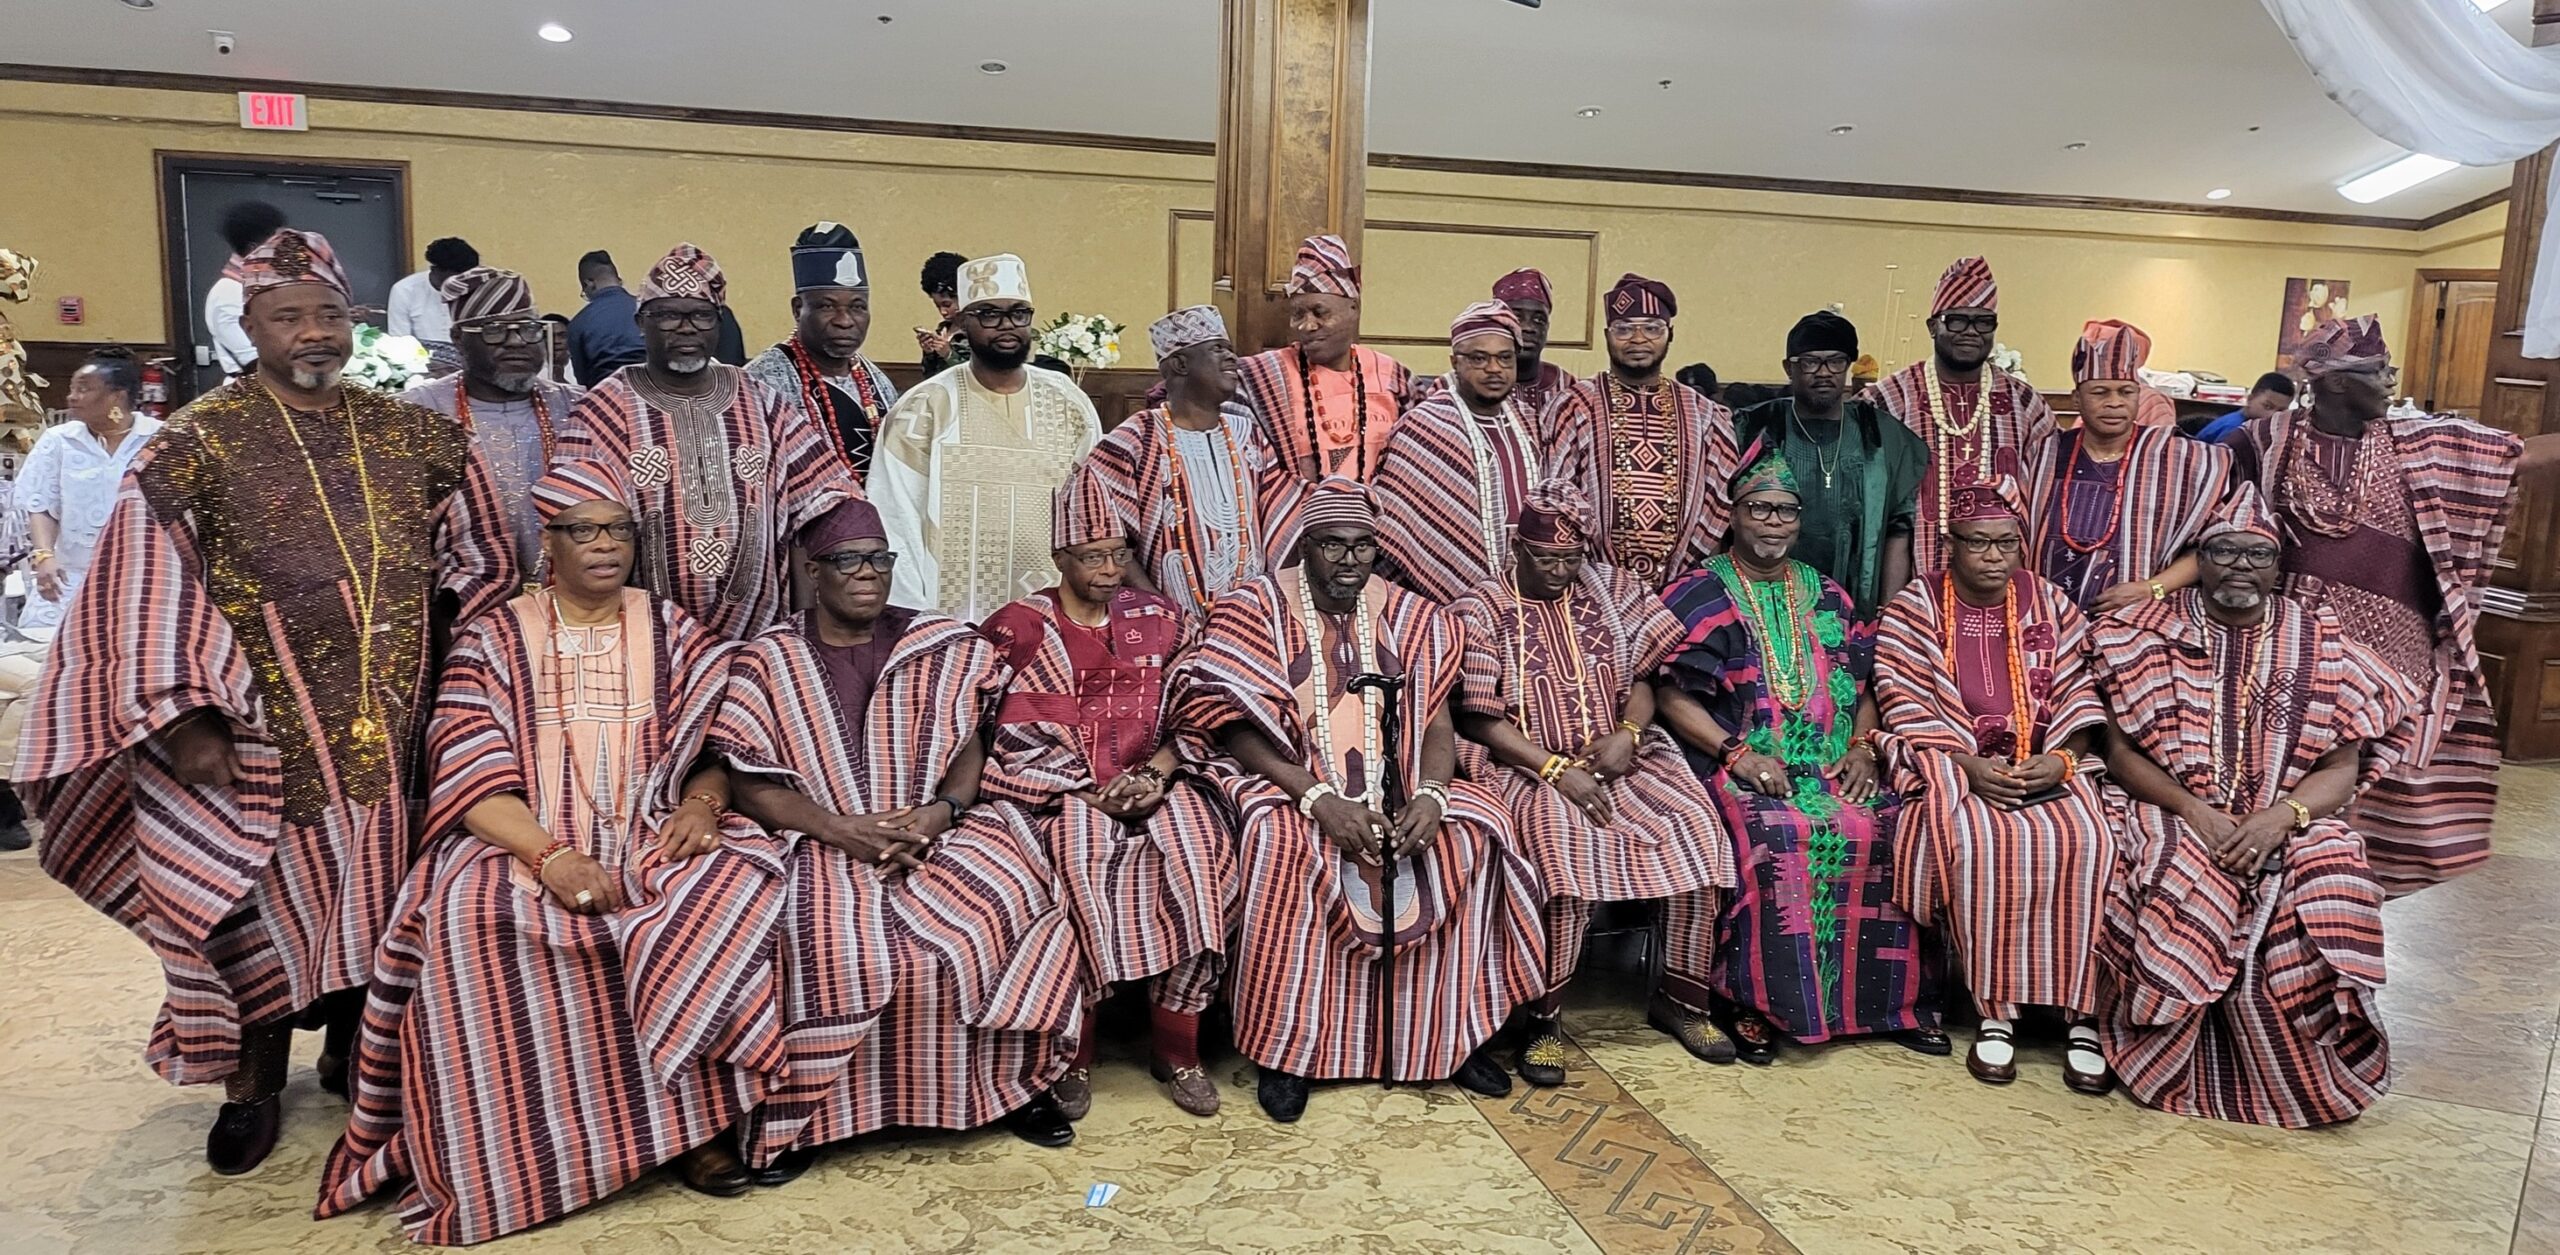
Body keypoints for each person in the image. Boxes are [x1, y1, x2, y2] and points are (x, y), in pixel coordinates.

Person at [14, 227, 518, 1174]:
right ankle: (251, 1084)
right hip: (259, 722)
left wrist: (469, 668)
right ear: (250, 328)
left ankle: (354, 1052)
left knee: (386, 889)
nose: (314, 332)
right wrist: (186, 713)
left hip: (402, 713)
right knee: (251, 899)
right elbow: (143, 580)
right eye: (289, 317)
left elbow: (484, 555)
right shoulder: (196, 441)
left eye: (328, 314)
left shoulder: (417, 434)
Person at [316, 463, 784, 1242]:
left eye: (618, 529)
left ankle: (695, 1126)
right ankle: (514, 1147)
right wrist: (551, 856)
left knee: (730, 889)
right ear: (549, 542)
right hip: (526, 836)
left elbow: (723, 747)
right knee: (469, 917)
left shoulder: (675, 629)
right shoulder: (495, 637)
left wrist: (703, 804)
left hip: (653, 828)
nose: (605, 545)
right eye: (584, 530)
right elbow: (468, 775)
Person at [712, 498, 1088, 1168]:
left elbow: (972, 742)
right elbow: (748, 782)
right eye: (848, 560)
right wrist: (838, 829)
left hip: (932, 829)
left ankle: (1012, 1089)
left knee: (1009, 897)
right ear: (811, 570)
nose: (868, 573)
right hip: (821, 837)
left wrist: (942, 810)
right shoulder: (767, 658)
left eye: (879, 558)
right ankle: (803, 1118)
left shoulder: (939, 641)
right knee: (825, 939)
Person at [1170, 478, 1544, 1120]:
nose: (1350, 560)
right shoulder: (1252, 608)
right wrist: (1318, 799)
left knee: (1477, 831)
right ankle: (1290, 1054)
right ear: (1304, 546)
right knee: (1280, 843)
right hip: (1290, 782)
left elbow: (1437, 720)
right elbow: (1230, 725)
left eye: (1363, 546)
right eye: (1333, 545)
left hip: (1400, 784)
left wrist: (1432, 794)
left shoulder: (1415, 618)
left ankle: (1449, 1040)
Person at [2090, 497, 2419, 1127]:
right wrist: (2193, 810)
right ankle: (2162, 1056)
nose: (2240, 565)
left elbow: (2341, 769)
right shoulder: (2142, 634)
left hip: (2288, 815)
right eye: (2223, 551)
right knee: (2171, 874)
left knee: (2337, 878)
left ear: (2278, 566)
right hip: (2174, 808)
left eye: (2258, 554)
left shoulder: (2322, 643)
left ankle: (2310, 1074)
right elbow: (2121, 754)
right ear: (2199, 560)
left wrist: (2281, 817)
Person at [1654, 451, 1945, 1064]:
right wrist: (1735, 754)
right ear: (1733, 515)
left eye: (1786, 511)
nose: (1774, 522)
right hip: (1737, 764)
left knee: (1892, 826)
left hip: (1833, 767)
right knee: (1777, 835)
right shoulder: (1698, 592)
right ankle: (1749, 1004)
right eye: (1759, 508)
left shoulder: (1828, 594)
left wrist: (1864, 747)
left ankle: (1887, 1006)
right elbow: (1671, 693)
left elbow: (1868, 683)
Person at [1448, 481, 1738, 1085]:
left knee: (1696, 827)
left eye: (1571, 558)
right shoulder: (1479, 609)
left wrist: (1629, 733)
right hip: (1526, 766)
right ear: (1516, 548)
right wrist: (1555, 770)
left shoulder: (1614, 590)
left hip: (1621, 755)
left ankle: (1681, 1001)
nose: (1560, 571)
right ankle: (1543, 1019)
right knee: (1563, 845)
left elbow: (1645, 677)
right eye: (1545, 559)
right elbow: (1477, 717)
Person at [2227, 314, 2522, 895]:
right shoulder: (2261, 442)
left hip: (2396, 656)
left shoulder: (2421, 445)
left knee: (2369, 804)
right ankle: (2274, 910)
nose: (2391, 380)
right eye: (2379, 371)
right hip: (2293, 651)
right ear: (2337, 381)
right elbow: (2210, 518)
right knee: (2284, 781)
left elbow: (2514, 456)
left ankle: (2348, 901)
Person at [970, 482, 1238, 1117]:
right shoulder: (1019, 626)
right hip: (1061, 790)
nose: (1111, 570)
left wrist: (1159, 775)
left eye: (1119, 554)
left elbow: (1197, 703)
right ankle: (1074, 1053)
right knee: (1077, 860)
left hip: (1159, 778)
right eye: (1093, 557)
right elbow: (992, 731)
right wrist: (1088, 794)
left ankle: (1177, 1047)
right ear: (1060, 557)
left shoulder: (1159, 617)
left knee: (1201, 853)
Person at [1873, 478, 2115, 1093]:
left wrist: (2062, 760)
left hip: (2046, 765)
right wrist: (1966, 764)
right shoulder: (1915, 605)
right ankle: (1996, 1012)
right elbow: (1900, 693)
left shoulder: (2052, 602)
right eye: (1977, 542)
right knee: (1982, 845)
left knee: (2090, 840)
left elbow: (2082, 690)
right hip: (1956, 767)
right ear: (1950, 545)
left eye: (2006, 543)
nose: (1993, 556)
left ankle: (2082, 1017)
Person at [560, 243, 860, 641]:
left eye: (701, 315)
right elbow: (573, 528)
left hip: (760, 637)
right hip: (640, 637)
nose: (687, 328)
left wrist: (806, 629)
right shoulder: (603, 409)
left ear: (719, 323)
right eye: (668, 315)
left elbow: (826, 498)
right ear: (640, 322)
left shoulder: (763, 401)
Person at [872, 253, 1103, 620]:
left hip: (1054, 616)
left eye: (1018, 313)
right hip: (949, 619)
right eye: (989, 314)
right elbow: (894, 518)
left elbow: (1093, 510)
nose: (1007, 325)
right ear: (963, 321)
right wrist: (913, 620)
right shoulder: (925, 407)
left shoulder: (1069, 402)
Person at [1071, 305, 1299, 622]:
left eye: (1229, 349)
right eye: (1217, 349)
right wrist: (1162, 611)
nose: (1232, 358)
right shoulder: (1135, 438)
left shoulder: (1249, 435)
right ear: (1180, 364)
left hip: (1249, 623)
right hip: (1161, 624)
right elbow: (1103, 532)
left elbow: (1281, 520)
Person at [2024, 319, 2235, 612]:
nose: (2114, 403)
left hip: (2136, 623)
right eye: (2100, 392)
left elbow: (2217, 541)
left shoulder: (2180, 458)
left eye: (2126, 392)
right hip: (2038, 615)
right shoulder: (2043, 454)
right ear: (2076, 400)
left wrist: (2152, 588)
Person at [1865, 257, 2059, 574]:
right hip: (1910, 580)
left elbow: (2046, 500)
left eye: (1984, 322)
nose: (1971, 332)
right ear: (1932, 326)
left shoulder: (2027, 405)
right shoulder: (1888, 399)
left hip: (2001, 580)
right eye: (1956, 321)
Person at [1545, 274, 1741, 588]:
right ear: (1607, 335)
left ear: (1670, 334)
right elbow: (1557, 497)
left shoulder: (1704, 413)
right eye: (1624, 329)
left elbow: (1718, 506)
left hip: (1682, 586)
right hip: (1589, 585)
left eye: (1652, 328)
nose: (1638, 339)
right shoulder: (1575, 404)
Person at [1730, 311, 1927, 619]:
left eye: (1835, 361)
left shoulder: (1881, 436)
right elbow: (1722, 521)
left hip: (1857, 613)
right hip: (1760, 606)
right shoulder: (1752, 427)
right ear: (1789, 368)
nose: (1824, 372)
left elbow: (1899, 529)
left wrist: (1890, 615)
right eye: (1810, 362)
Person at [402, 267, 588, 579]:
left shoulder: (577, 406)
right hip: (459, 594)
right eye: (494, 330)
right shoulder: (418, 413)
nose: (516, 341)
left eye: (528, 329)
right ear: (458, 339)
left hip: (570, 593)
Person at [1372, 301, 1550, 603]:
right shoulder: (1424, 425)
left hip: (1528, 591)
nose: (1494, 369)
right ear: (1455, 362)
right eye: (1479, 358)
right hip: (1440, 601)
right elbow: (1401, 525)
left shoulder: (1531, 421)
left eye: (1505, 358)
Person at [1235, 235, 1415, 482]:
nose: (1307, 326)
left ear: (1354, 308)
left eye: (1320, 312)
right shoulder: (1261, 379)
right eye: (1298, 314)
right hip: (1295, 505)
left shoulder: (1394, 376)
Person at [745, 222, 900, 486]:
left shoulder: (877, 382)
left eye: (857, 307)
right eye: (827, 306)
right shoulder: (761, 383)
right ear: (798, 309)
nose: (844, 321)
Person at [20, 345, 162, 631]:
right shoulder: (59, 440)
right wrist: (44, 555)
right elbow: (40, 504)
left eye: (83, 389)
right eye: (72, 388)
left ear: (117, 396)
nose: (72, 397)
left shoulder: (159, 438)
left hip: (146, 579)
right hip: (71, 577)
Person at [204, 200, 284, 379]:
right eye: (277, 243)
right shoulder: (229, 291)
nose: (284, 249)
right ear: (254, 249)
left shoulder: (261, 286)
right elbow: (252, 360)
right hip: (253, 389)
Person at [386, 237, 478, 371]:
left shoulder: (476, 289)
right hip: (421, 369)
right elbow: (400, 343)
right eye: (453, 279)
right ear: (435, 270)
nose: (460, 284)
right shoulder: (405, 290)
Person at [566, 249, 647, 386]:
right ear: (618, 280)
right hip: (654, 388)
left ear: (589, 284)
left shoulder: (578, 323)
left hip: (607, 392)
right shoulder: (646, 309)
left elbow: (583, 382)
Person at [2195, 372, 2297, 445]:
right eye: (2267, 406)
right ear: (2250, 399)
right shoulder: (2234, 429)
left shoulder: (2253, 427)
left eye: (2281, 411)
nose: (2272, 415)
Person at [916, 250, 973, 375]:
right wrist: (929, 352)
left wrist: (949, 354)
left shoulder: (977, 332)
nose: (943, 312)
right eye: (938, 306)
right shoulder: (943, 330)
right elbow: (930, 375)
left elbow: (978, 375)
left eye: (947, 305)